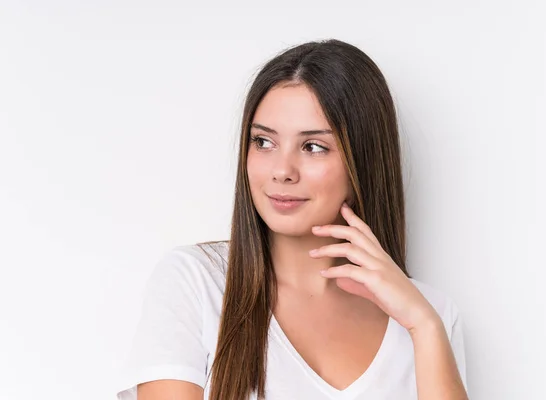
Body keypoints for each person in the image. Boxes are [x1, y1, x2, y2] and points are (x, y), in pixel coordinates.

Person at [116, 38, 469, 400]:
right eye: (263, 142)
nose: (282, 171)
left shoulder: (428, 314)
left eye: (313, 146)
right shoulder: (196, 282)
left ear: (361, 163)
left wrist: (424, 326)